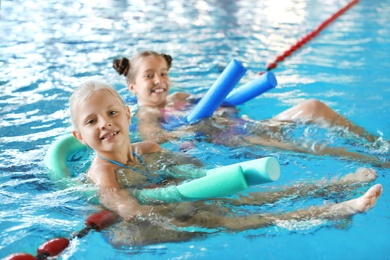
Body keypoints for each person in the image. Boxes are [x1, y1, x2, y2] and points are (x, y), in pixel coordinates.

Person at [69, 79, 382, 246]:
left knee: (251, 197)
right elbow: (133, 212)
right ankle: (340, 208)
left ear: (126, 114)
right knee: (232, 219)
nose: (104, 124)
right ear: (80, 136)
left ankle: (333, 186)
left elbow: (192, 169)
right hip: (141, 226)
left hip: (172, 198)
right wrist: (178, 216)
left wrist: (199, 176)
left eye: (111, 113)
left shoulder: (148, 148)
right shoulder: (103, 173)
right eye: (91, 121)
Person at [112, 51, 388, 166]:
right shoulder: (147, 115)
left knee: (313, 107)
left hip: (245, 125)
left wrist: (224, 106)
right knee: (303, 147)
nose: (159, 81)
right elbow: (156, 142)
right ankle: (377, 161)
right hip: (235, 141)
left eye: (163, 73)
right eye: (149, 76)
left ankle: (377, 144)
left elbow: (225, 100)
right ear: (133, 87)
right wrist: (191, 126)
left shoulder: (182, 95)